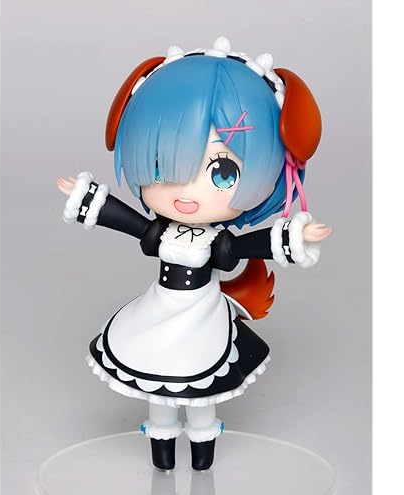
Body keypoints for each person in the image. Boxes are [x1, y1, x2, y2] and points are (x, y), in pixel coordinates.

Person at [57, 37, 332, 471]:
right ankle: (162, 450)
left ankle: (203, 453)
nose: (185, 193)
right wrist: (88, 197)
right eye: (163, 166)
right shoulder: (161, 232)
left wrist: (296, 237)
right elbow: (127, 221)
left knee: (202, 393)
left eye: (222, 172)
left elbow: (253, 244)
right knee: (157, 388)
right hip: (159, 311)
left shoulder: (216, 243)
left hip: (202, 318)